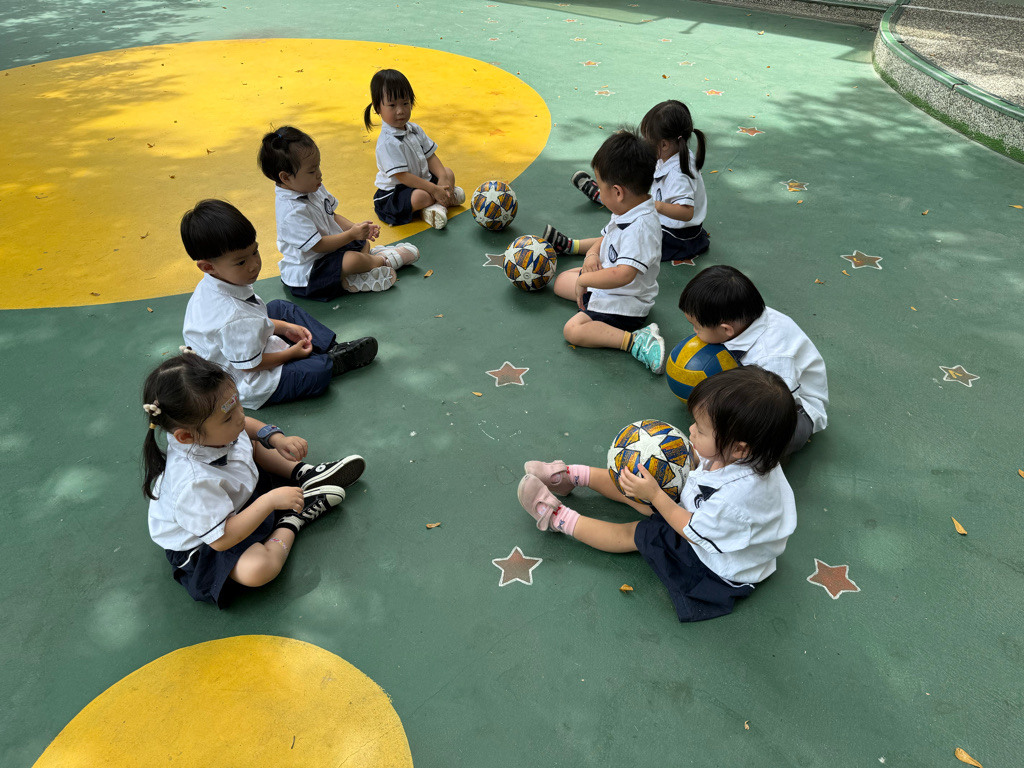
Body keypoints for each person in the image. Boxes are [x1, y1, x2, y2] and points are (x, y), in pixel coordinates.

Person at [517, 365, 797, 622]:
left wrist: (656, 495)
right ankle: (571, 477)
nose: (691, 431)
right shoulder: (748, 454)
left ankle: (557, 519)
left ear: (739, 449)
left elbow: (690, 530)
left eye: (700, 430)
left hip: (713, 566)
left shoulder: (736, 500)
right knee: (641, 483)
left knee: (638, 532)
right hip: (710, 521)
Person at [142, 352, 366, 606]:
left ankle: (305, 474)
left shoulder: (212, 431)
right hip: (210, 540)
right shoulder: (192, 485)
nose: (240, 415)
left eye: (237, 403)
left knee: (249, 442)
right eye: (228, 416)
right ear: (186, 437)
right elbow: (223, 539)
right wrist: (270, 502)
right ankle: (293, 518)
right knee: (258, 569)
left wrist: (275, 438)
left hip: (237, 498)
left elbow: (246, 425)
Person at [181, 199, 377, 410]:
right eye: (241, 262)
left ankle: (333, 349)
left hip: (240, 344)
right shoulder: (231, 316)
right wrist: (291, 354)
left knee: (281, 308)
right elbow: (251, 365)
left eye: (255, 252)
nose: (254, 264)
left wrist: (285, 327)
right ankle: (329, 361)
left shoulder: (216, 283)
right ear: (208, 267)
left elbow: (252, 321)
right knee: (318, 371)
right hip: (244, 380)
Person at [540, 129, 667, 374]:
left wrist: (585, 280)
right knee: (561, 282)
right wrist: (591, 255)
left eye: (599, 186)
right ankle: (589, 296)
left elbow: (623, 275)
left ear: (618, 192)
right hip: (611, 286)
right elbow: (606, 238)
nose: (597, 191)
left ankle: (635, 341)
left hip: (625, 303)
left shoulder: (640, 228)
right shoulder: (629, 208)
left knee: (573, 330)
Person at [679, 264, 828, 454]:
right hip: (764, 387)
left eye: (697, 327)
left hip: (795, 411)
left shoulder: (770, 358)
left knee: (751, 441)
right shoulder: (744, 315)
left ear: (726, 329)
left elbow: (776, 413)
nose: (694, 332)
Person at [259, 126, 419, 298]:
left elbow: (332, 216)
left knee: (362, 243)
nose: (319, 174)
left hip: (331, 253)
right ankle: (383, 260)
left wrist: (356, 229)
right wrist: (351, 234)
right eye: (312, 171)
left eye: (318, 167)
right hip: (311, 272)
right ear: (285, 177)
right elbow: (318, 245)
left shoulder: (311, 187)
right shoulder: (291, 212)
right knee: (352, 260)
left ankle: (355, 276)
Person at [569, 100, 710, 263]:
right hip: (666, 220)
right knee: (633, 197)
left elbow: (686, 212)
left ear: (664, 144)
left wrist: (655, 205)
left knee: (621, 235)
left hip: (676, 238)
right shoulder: (671, 154)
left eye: (648, 139)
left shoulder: (679, 174)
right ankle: (606, 193)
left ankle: (572, 246)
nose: (645, 141)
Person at [364, 69, 463, 230]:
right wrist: (434, 189)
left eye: (405, 103)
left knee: (448, 172)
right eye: (392, 105)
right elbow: (403, 177)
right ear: (377, 108)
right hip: (395, 193)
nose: (400, 110)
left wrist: (443, 178)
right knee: (421, 197)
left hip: (420, 180)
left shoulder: (415, 129)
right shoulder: (387, 142)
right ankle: (442, 200)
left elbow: (430, 156)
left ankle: (439, 203)